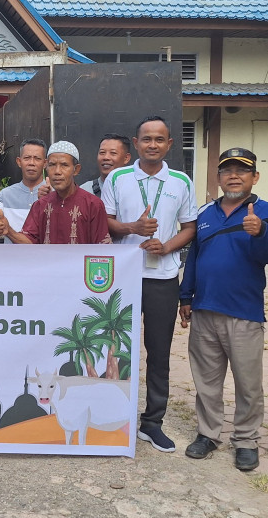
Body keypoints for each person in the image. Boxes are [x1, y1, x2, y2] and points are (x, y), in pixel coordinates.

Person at [178, 147, 268, 471]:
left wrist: (261, 232)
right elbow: (194, 256)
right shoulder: (205, 213)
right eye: (227, 171)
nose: (233, 176)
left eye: (242, 170)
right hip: (205, 310)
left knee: (248, 383)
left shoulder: (267, 211)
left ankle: (246, 440)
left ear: (255, 177)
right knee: (206, 381)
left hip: (244, 313)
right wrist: (185, 297)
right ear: (219, 177)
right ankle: (208, 434)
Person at [101, 115, 197, 453]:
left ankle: (152, 423)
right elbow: (107, 223)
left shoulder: (182, 181)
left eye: (160, 139)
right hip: (124, 278)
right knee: (115, 350)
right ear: (136, 143)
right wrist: (132, 229)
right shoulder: (118, 176)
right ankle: (110, 419)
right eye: (146, 139)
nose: (152, 144)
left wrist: (167, 245)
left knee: (159, 352)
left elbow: (190, 226)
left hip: (163, 277)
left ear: (170, 144)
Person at [0, 141, 110, 244]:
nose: (57, 171)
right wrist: (9, 231)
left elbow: (102, 249)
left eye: (64, 165)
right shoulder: (40, 205)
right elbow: (29, 242)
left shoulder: (93, 204)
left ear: (76, 169)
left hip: (79, 269)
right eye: (52, 165)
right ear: (46, 168)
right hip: (47, 269)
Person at [0, 138, 47, 242]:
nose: (32, 163)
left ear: (45, 163)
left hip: (46, 257)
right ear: (19, 161)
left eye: (37, 158)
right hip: (12, 258)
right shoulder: (5, 195)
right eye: (27, 158)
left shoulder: (55, 194)